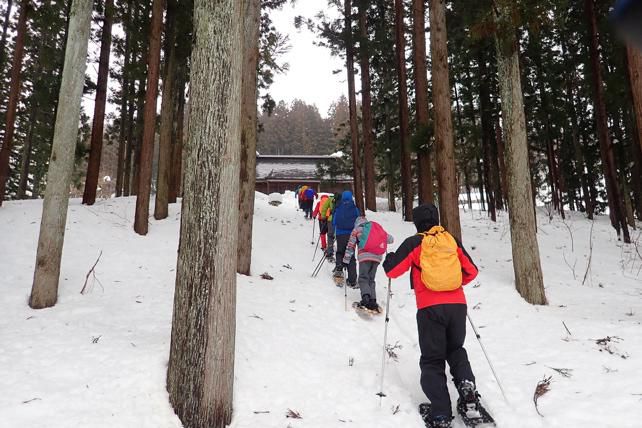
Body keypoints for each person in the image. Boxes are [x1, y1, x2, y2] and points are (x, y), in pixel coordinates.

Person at [382, 203, 480, 428]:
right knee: (455, 349)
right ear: (436, 218)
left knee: (433, 359)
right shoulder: (451, 240)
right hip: (457, 305)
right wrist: (454, 284)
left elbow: (392, 271)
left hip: (429, 308)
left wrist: (389, 260)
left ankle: (441, 414)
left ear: (417, 222)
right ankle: (466, 386)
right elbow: (472, 271)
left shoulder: (415, 242)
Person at [342, 216, 393, 312]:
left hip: (364, 257)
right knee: (371, 278)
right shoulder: (375, 228)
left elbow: (350, 246)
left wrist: (346, 260)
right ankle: (373, 300)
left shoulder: (356, 230)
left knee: (363, 278)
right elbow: (391, 239)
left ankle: (365, 298)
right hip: (377, 258)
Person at [332, 190, 360, 287]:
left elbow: (334, 221)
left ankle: (339, 268)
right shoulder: (355, 209)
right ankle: (352, 279)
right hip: (352, 235)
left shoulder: (339, 207)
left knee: (340, 252)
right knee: (351, 256)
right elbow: (358, 221)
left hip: (340, 234)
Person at [321, 192, 341, 260]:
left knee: (330, 235)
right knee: (340, 236)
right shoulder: (344, 200)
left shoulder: (330, 199)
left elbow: (324, 208)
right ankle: (341, 253)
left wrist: (323, 216)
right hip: (340, 220)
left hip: (331, 219)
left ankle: (330, 251)